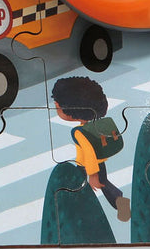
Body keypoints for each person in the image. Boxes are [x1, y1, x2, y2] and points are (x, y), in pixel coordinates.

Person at [51, 76, 131, 222]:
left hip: (91, 166)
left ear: (67, 109)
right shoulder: (92, 126)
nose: (56, 107)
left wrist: (93, 174)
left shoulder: (78, 132)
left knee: (102, 184)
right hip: (88, 164)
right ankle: (116, 202)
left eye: (57, 106)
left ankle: (120, 202)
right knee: (92, 186)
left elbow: (89, 152)